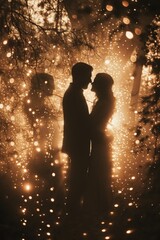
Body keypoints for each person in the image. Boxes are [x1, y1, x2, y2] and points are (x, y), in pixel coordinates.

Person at [62, 62, 93, 217]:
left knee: (77, 176)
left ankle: (73, 209)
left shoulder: (74, 92)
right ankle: (73, 211)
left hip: (76, 143)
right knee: (77, 177)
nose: (90, 80)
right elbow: (79, 122)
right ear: (80, 76)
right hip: (77, 143)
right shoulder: (74, 94)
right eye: (88, 76)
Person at [84, 73, 115, 218]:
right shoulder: (105, 101)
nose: (92, 83)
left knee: (98, 172)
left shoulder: (104, 103)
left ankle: (98, 208)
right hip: (100, 140)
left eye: (95, 81)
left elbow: (92, 122)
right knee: (99, 172)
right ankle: (100, 207)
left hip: (99, 141)